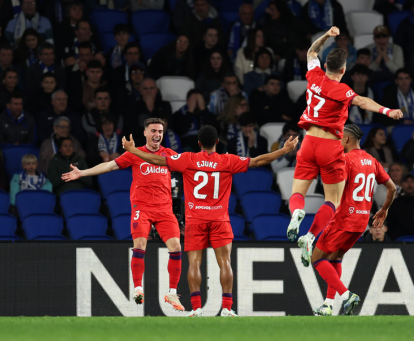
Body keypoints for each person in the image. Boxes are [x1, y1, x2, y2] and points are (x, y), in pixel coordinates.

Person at [121, 124, 299, 317]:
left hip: (195, 220)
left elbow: (157, 160)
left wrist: (132, 150)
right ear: (217, 142)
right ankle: (227, 308)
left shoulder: (188, 159)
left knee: (195, 264)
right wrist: (284, 150)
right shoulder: (227, 160)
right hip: (219, 220)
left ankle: (197, 308)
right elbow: (257, 161)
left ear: (199, 143)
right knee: (225, 263)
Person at [285, 27, 403, 250]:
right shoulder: (342, 90)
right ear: (344, 69)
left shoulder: (314, 76)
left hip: (308, 142)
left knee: (297, 193)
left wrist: (327, 36)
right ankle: (310, 236)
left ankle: (297, 212)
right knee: (332, 200)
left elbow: (311, 52)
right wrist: (388, 111)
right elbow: (363, 101)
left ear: (326, 65)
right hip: (330, 146)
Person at [62, 118, 185, 311]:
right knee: (140, 244)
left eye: (160, 131)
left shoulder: (169, 155)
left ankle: (171, 293)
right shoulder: (135, 154)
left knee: (176, 246)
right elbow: (109, 166)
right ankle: (137, 289)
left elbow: (190, 166)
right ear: (145, 133)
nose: (157, 135)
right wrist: (82, 173)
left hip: (164, 209)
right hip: (142, 209)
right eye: (153, 131)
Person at [309, 124, 395, 316]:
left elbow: (334, 191)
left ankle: (346, 295)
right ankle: (328, 305)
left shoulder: (345, 160)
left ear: (346, 139)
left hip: (344, 219)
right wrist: (383, 210)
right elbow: (392, 188)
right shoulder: (372, 161)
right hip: (361, 221)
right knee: (335, 257)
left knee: (316, 258)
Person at [124, 78, 172, 142]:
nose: (148, 91)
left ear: (156, 90)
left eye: (151, 88)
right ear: (140, 91)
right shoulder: (133, 108)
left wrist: (151, 109)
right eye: (145, 89)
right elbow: (134, 131)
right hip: (140, 144)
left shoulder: (165, 106)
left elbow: (169, 127)